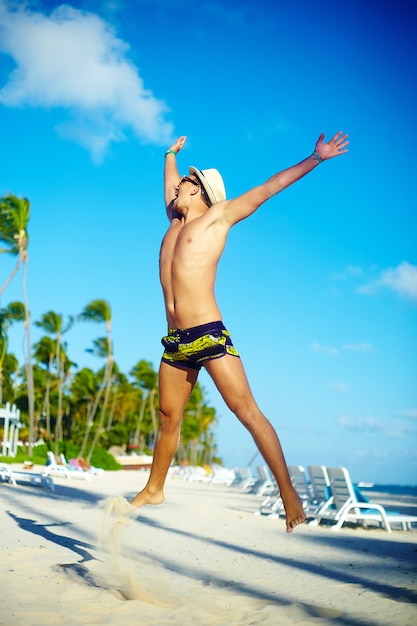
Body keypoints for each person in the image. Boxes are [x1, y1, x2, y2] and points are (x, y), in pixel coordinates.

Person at [131, 131, 349, 532]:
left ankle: (287, 491)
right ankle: (155, 487)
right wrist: (169, 155)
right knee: (167, 417)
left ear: (202, 193)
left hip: (209, 334)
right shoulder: (174, 219)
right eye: (179, 183)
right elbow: (168, 183)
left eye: (187, 183)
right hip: (175, 341)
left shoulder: (220, 216)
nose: (178, 186)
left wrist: (315, 158)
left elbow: (269, 188)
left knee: (246, 411)